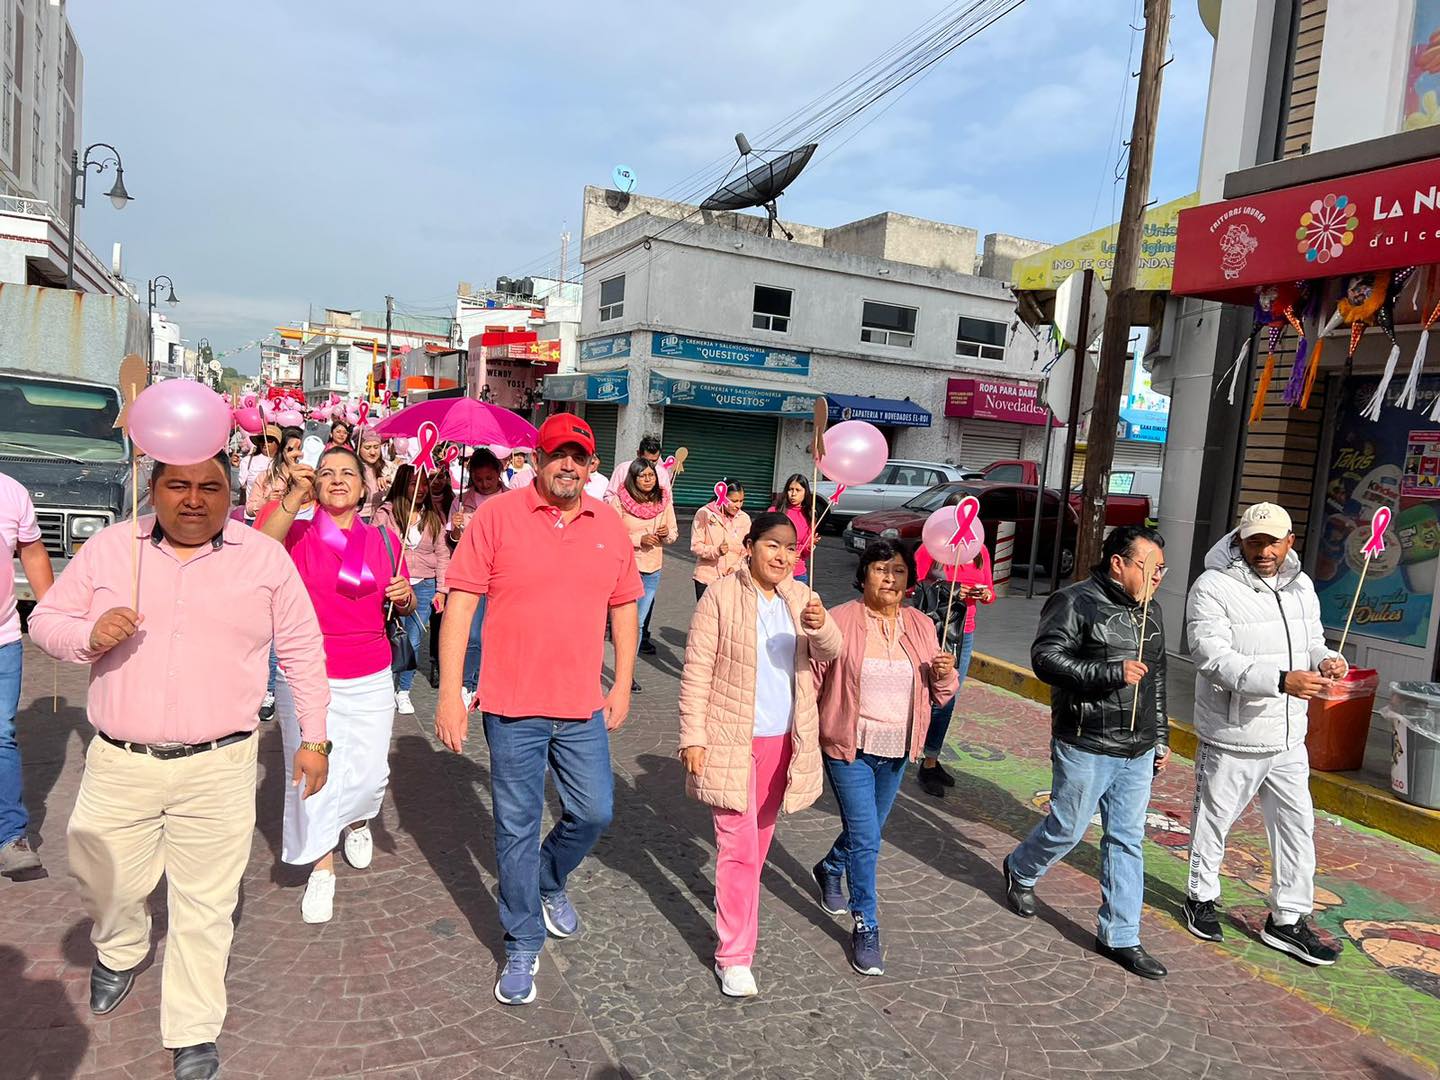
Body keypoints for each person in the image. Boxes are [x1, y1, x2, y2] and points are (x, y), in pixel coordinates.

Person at [28, 452, 329, 1080]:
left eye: (209, 486)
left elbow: (302, 650)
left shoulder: (264, 558)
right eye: (179, 485)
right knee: (102, 879)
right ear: (154, 488)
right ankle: (120, 946)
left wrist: (317, 739)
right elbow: (47, 621)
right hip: (119, 763)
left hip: (219, 765)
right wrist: (90, 635)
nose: (193, 499)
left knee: (206, 905)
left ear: (231, 493)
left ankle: (193, 1027)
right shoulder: (114, 549)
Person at [435, 412, 642, 1007]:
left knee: (594, 812)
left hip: (581, 706)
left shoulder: (610, 524)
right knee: (515, 828)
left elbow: (625, 606)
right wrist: (452, 693)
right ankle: (522, 939)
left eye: (578, 456)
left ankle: (550, 879)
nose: (567, 466)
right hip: (511, 705)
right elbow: (462, 605)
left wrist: (623, 681)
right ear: (537, 459)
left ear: (592, 464)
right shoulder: (497, 517)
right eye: (557, 455)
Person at [678, 512, 841, 997]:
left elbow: (829, 653)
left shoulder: (800, 597)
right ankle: (734, 955)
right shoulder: (721, 596)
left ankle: (736, 916)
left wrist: (822, 623)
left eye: (791, 549)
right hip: (732, 740)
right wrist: (693, 736)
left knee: (758, 845)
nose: (782, 556)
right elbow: (696, 670)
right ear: (749, 546)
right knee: (740, 850)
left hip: (783, 742)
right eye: (772, 545)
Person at [1002, 524, 1170, 980]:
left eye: (1161, 570)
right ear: (1118, 563)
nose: (1156, 577)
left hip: (1137, 748)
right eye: (1148, 567)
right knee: (1068, 827)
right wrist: (1109, 672)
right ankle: (1021, 867)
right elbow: (1046, 659)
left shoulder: (1149, 611)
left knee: (1127, 839)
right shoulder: (1075, 601)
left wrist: (1160, 735)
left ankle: (1120, 936)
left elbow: (1157, 676)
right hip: (1086, 740)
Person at [260, 446, 416, 925]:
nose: (338, 479)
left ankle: (357, 820)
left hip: (370, 668)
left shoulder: (385, 539)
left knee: (369, 773)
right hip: (306, 670)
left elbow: (404, 605)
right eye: (326, 473)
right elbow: (258, 550)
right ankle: (321, 865)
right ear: (316, 484)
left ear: (366, 485)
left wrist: (406, 597)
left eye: (348, 472)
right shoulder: (298, 533)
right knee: (313, 775)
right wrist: (293, 497)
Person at [1183, 502, 1344, 965]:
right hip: (1234, 732)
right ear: (1239, 540)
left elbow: (1312, 640)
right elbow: (1211, 657)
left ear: (1290, 540)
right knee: (1214, 821)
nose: (1264, 550)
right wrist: (1280, 680)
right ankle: (1200, 897)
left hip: (1290, 736)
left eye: (1273, 540)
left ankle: (1289, 919)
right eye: (1255, 540)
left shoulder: (1301, 585)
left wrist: (1328, 660)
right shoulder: (1212, 586)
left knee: (1297, 828)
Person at [812, 540, 957, 976]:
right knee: (869, 840)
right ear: (863, 575)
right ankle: (866, 924)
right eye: (880, 569)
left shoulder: (921, 626)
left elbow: (940, 694)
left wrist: (945, 676)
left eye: (897, 570)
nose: (889, 578)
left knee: (866, 832)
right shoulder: (839, 619)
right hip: (847, 746)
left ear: (909, 579)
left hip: (896, 748)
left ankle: (830, 866)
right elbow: (813, 679)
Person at [0, 474, 54, 881]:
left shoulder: (12, 490)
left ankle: (11, 837)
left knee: (1, 735)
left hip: (3, 640)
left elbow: (32, 551)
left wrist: (53, 613)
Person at [910, 545, 994, 797]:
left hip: (964, 632)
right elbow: (914, 588)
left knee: (949, 697)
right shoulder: (929, 548)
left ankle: (931, 759)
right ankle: (914, 753)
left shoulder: (980, 549)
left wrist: (984, 595)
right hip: (934, 629)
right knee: (928, 695)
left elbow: (990, 590)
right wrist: (954, 591)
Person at [373, 463, 450, 715]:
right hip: (393, 583)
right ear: (402, 483)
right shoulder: (386, 512)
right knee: (388, 636)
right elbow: (374, 545)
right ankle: (383, 683)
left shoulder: (433, 515)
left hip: (425, 584)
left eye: (424, 483)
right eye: (413, 483)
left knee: (414, 639)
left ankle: (403, 690)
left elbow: (442, 554)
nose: (420, 489)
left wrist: (442, 589)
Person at [607, 458, 678, 693]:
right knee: (621, 621)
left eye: (652, 475)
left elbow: (673, 535)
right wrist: (639, 540)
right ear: (633, 478)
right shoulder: (620, 501)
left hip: (651, 569)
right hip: (626, 568)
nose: (648, 480)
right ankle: (617, 668)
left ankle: (627, 674)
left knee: (637, 623)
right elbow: (611, 536)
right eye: (643, 476)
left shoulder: (664, 500)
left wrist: (666, 534)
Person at [450, 449, 505, 704]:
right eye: (479, 479)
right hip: (473, 572)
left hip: (503, 572)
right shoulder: (463, 501)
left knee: (495, 632)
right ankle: (467, 681)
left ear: (498, 474)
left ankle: (487, 680)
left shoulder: (511, 500)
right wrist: (457, 529)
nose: (484, 484)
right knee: (473, 633)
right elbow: (452, 541)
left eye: (489, 479)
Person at [691, 479, 750, 601]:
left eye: (741, 501)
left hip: (733, 579)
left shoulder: (744, 519)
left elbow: (747, 551)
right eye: (734, 501)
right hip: (707, 578)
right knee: (705, 618)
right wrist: (716, 551)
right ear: (722, 496)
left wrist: (736, 567)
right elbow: (696, 546)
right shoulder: (704, 513)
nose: (738, 505)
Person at [423, 471, 455, 686]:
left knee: (446, 618)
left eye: (442, 477)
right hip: (435, 567)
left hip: (455, 565)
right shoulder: (423, 503)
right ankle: (435, 662)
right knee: (436, 615)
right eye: (432, 477)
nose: (437, 482)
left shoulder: (454, 502)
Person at [245, 426, 302, 520]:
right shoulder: (265, 476)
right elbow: (249, 509)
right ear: (282, 450)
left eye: (299, 448)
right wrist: (266, 501)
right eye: (290, 449)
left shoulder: (309, 478)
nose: (295, 453)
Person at [770, 474, 817, 585]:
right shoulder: (774, 511)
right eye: (791, 489)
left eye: (798, 490)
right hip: (776, 570)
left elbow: (804, 554)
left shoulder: (809, 516)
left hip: (798, 574)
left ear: (805, 492)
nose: (793, 494)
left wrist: (809, 546)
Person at [606, 433, 673, 498]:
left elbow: (667, 500)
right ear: (638, 454)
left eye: (654, 461)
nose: (649, 465)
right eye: (646, 460)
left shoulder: (662, 474)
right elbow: (610, 496)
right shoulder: (623, 469)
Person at [356, 427, 389, 522]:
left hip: (381, 518)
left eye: (376, 447)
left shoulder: (387, 467)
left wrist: (390, 479)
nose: (373, 452)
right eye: (367, 448)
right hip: (358, 519)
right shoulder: (352, 468)